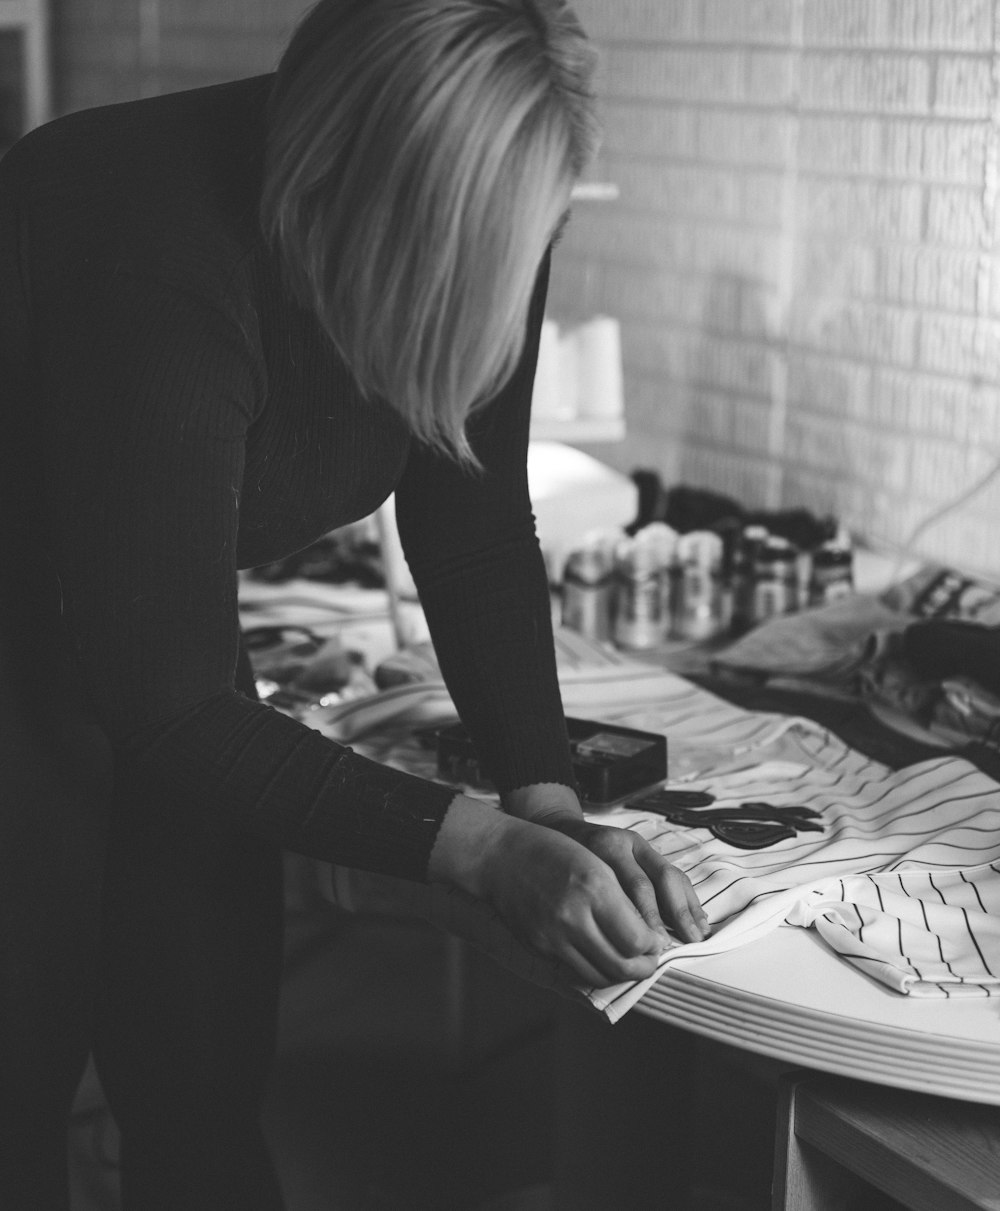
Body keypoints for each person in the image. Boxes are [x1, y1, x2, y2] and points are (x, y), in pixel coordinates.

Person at [0, 1, 708, 1206]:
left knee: (204, 1092)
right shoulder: (149, 231)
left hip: (168, 644)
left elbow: (470, 520)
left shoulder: (492, 204)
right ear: (348, 197)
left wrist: (538, 796)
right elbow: (160, 702)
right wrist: (474, 850)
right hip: (20, 657)